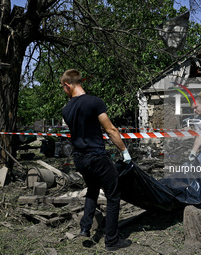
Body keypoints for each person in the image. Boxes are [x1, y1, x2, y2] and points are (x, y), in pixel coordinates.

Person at [61, 69, 132, 251]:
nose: (63, 90)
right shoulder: (95, 102)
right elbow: (110, 130)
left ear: (68, 85)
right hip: (97, 157)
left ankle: (85, 227)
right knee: (114, 196)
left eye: (63, 87)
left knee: (92, 189)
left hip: (79, 159)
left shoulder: (66, 109)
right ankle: (112, 241)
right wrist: (124, 152)